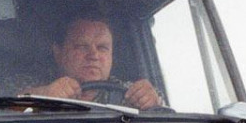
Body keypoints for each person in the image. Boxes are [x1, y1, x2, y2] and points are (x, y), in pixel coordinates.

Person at [18, 17, 163, 110]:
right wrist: (43, 95)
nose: (94, 55)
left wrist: (153, 102)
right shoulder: (30, 83)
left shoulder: (127, 93)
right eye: (82, 46)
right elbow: (7, 106)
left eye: (102, 48)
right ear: (58, 52)